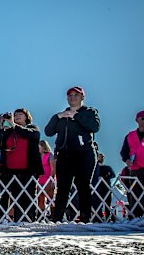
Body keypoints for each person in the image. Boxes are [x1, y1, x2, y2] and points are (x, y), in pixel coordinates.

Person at [45, 86, 100, 223]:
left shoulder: (89, 112)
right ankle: (57, 218)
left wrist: (76, 116)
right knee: (62, 187)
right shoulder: (62, 115)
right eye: (69, 95)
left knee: (83, 186)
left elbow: (94, 127)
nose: (72, 98)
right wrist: (58, 116)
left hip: (84, 154)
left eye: (76, 95)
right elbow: (48, 131)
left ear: (82, 97)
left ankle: (85, 218)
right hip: (65, 155)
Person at [0, 108, 43, 222]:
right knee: (15, 197)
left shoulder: (32, 128)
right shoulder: (9, 131)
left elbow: (33, 136)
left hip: (28, 170)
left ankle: (29, 219)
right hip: (11, 170)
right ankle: (17, 219)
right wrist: (1, 127)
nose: (17, 116)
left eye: (20, 114)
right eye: (15, 115)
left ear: (27, 117)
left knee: (28, 196)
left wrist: (14, 125)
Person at [95, 152, 116, 221]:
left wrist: (106, 177)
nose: (101, 158)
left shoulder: (107, 167)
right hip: (98, 188)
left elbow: (113, 175)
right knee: (98, 204)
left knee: (107, 203)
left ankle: (108, 217)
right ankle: (98, 217)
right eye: (100, 157)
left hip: (106, 187)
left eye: (102, 157)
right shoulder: (95, 168)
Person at [37, 140, 56, 215]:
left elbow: (53, 169)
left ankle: (53, 214)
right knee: (40, 198)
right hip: (40, 180)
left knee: (51, 198)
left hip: (48, 179)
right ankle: (41, 214)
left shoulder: (50, 155)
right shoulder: (38, 156)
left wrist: (51, 179)